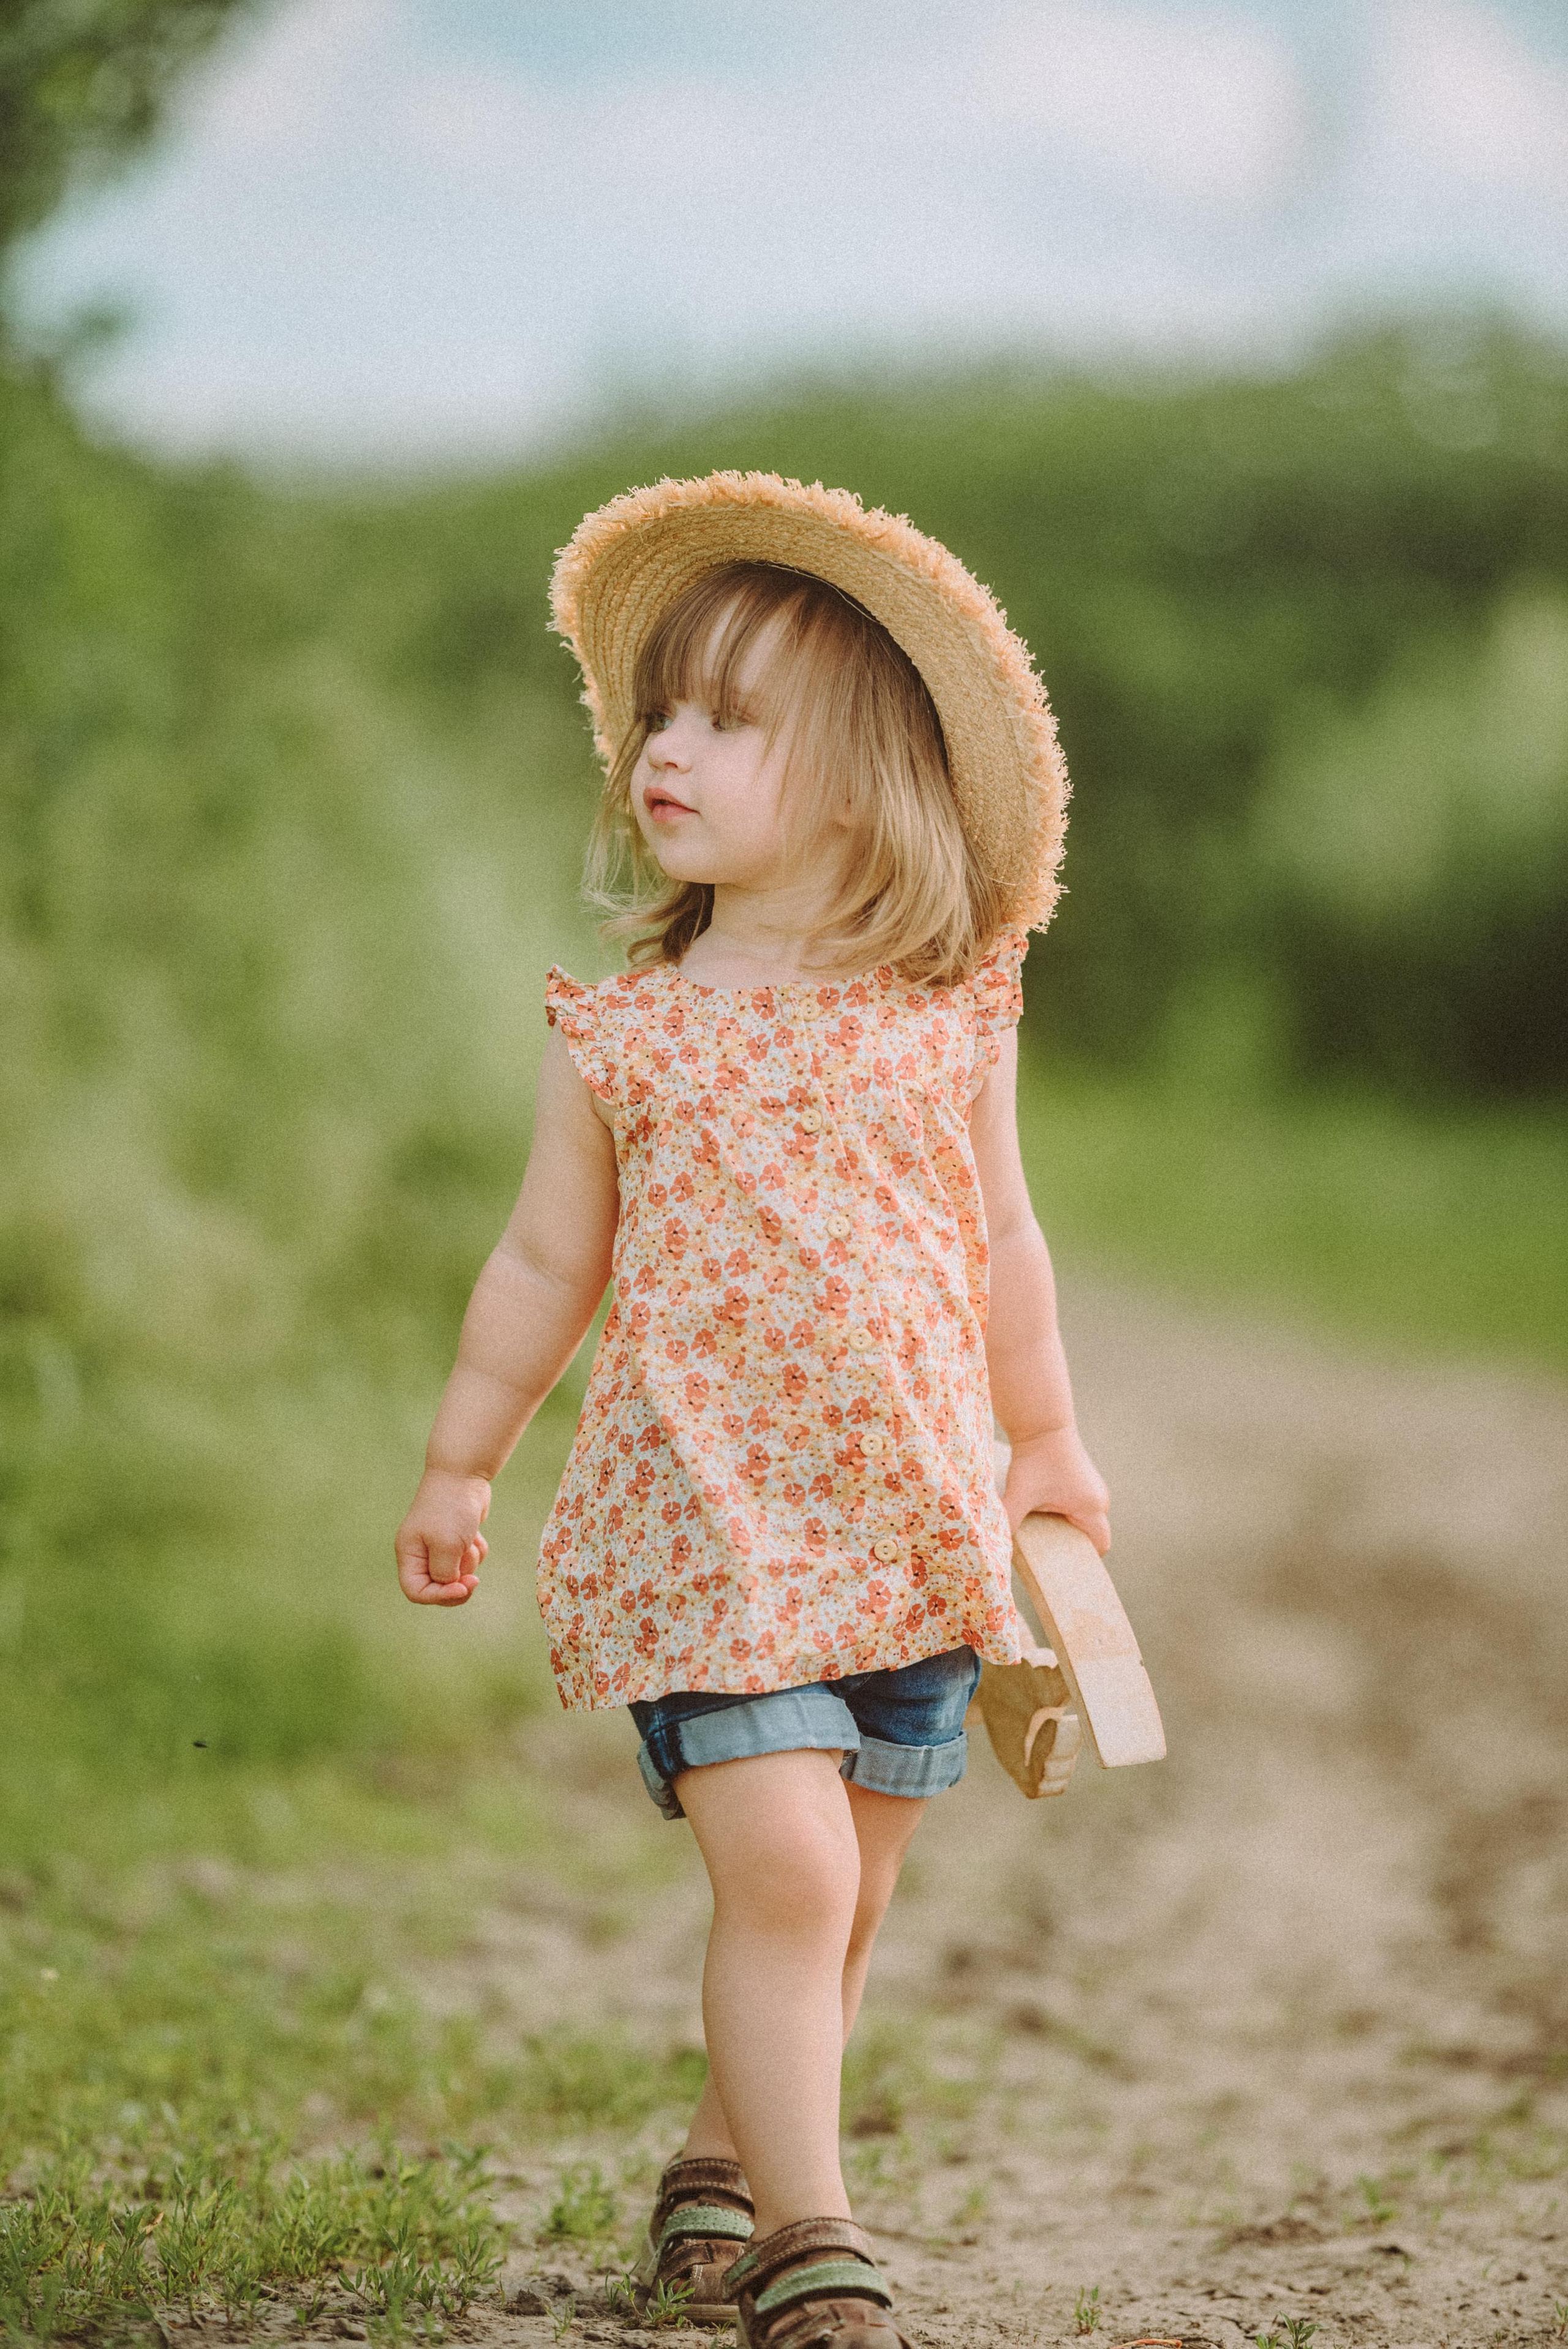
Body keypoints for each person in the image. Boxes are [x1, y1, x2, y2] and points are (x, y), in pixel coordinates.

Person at [394, 474, 1111, 2349]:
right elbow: (541, 1263)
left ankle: (721, 2160)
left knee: (845, 1893)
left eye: (728, 721)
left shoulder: (951, 1007)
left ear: (867, 783)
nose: (666, 749)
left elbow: (1004, 1239)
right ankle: (814, 2237)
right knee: (785, 1869)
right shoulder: (630, 1030)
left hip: (908, 1519)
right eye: (661, 715)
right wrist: (464, 1456)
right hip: (703, 1527)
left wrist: (1045, 1438)